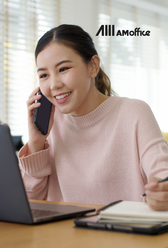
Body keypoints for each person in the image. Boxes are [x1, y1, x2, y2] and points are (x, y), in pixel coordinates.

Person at [20, 24, 168, 211]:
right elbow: (26, 203)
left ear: (93, 66)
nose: (54, 84)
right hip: (62, 238)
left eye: (63, 69)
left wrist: (162, 192)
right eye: (44, 75)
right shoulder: (49, 125)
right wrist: (36, 144)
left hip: (124, 235)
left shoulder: (134, 113)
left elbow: (163, 177)